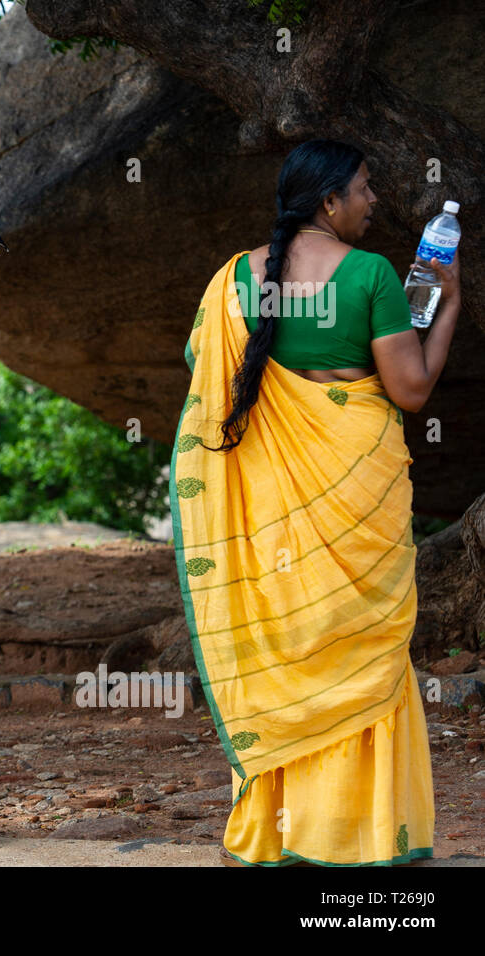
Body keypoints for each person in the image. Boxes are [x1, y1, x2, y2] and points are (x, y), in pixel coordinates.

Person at [171, 139, 460, 866]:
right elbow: (413, 389)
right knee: (360, 645)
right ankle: (357, 833)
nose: (372, 202)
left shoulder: (233, 279)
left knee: (290, 639)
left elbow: (205, 372)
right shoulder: (372, 276)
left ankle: (282, 829)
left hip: (269, 505)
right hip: (357, 489)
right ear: (329, 201)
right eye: (363, 189)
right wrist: (450, 301)